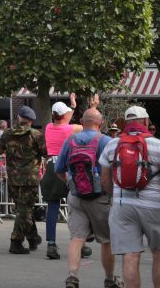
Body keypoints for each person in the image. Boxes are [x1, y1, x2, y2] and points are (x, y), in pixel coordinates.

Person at [99, 105, 160, 288]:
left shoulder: (112, 144)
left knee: (130, 255)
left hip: (123, 206)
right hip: (154, 206)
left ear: (126, 122)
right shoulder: (157, 144)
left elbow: (105, 180)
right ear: (146, 122)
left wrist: (115, 198)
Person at [54, 109, 121, 288]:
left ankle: (72, 276)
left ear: (82, 122)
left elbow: (59, 169)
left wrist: (71, 182)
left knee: (77, 237)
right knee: (106, 240)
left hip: (76, 196)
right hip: (100, 197)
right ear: (101, 123)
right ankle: (109, 279)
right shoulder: (106, 141)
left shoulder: (70, 141)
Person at [0, 105, 47, 254]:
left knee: (24, 208)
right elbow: (46, 152)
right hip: (29, 177)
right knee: (25, 209)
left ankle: (32, 237)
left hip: (13, 177)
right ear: (31, 120)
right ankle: (16, 241)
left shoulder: (7, 133)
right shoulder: (36, 134)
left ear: (19, 118)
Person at [43, 101, 82, 260]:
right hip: (67, 166)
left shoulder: (48, 127)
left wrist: (72, 107)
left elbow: (63, 118)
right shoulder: (71, 129)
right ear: (65, 116)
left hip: (51, 167)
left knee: (52, 207)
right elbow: (86, 124)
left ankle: (51, 244)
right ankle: (80, 243)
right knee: (75, 207)